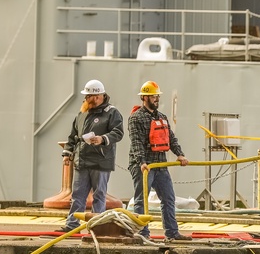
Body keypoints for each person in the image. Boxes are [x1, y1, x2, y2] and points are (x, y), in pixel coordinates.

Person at [128, 80, 192, 242]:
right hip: (144, 166)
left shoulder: (162, 118)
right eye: (152, 96)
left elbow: (170, 138)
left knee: (168, 198)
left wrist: (180, 154)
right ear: (144, 98)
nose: (156, 99)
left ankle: (172, 233)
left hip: (161, 165)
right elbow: (136, 142)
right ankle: (142, 233)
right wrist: (142, 162)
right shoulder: (136, 118)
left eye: (157, 96)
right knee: (142, 200)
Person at [59, 79, 124, 232]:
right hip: (82, 161)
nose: (86, 99)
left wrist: (102, 139)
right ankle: (72, 225)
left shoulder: (112, 113)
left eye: (88, 96)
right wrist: (67, 153)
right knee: (77, 195)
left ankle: (97, 226)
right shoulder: (82, 113)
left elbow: (118, 132)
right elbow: (73, 136)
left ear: (97, 96)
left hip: (100, 161)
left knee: (99, 195)